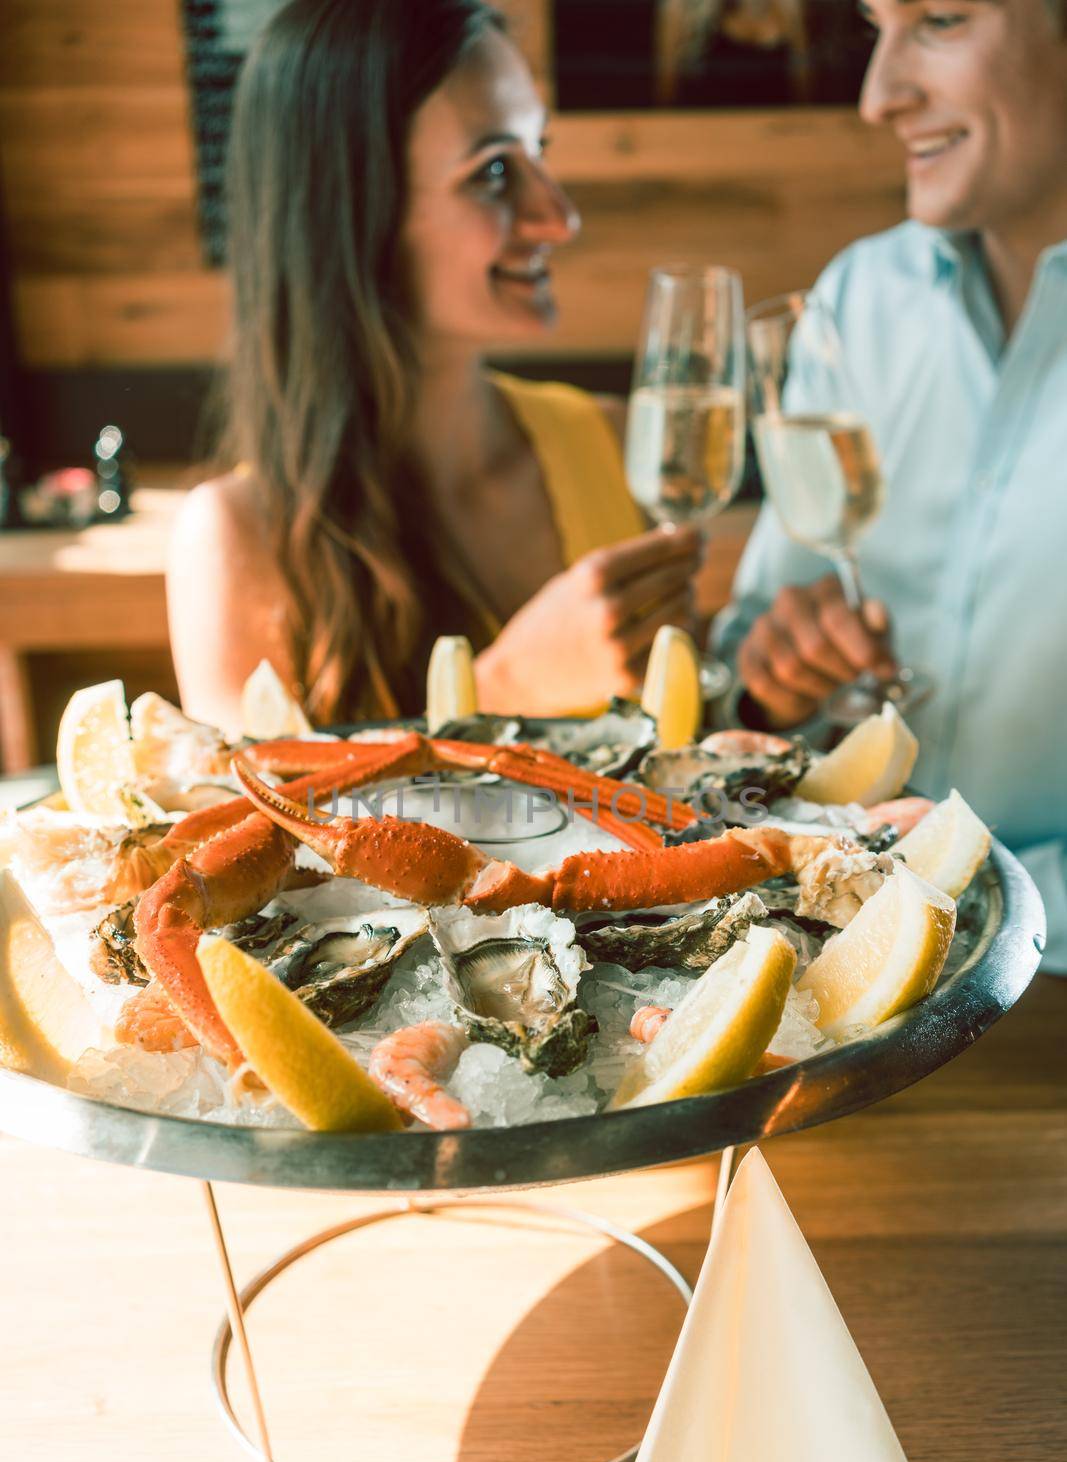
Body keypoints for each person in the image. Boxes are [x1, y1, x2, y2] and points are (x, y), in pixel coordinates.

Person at [167, 0, 700, 736]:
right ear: (354, 211)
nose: (558, 217)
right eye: (492, 172)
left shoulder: (608, 444)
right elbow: (254, 829)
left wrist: (765, 694)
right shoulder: (234, 537)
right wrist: (505, 685)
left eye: (539, 151)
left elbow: (683, 771)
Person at [714, 0, 1067, 970]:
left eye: (941, 20)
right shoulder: (853, 301)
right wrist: (773, 683)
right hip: (841, 970)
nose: (878, 95)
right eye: (877, 25)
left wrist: (980, 907)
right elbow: (744, 661)